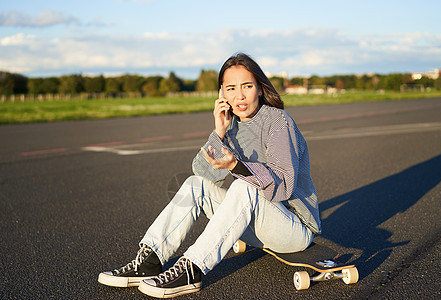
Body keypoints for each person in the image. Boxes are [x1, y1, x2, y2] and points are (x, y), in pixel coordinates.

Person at [98, 53, 321, 298]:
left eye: (247, 86)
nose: (240, 96)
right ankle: (150, 260)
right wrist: (219, 132)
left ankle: (192, 269)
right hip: (255, 221)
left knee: (243, 187)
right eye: (231, 88)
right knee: (196, 184)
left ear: (259, 88)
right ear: (221, 94)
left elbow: (284, 187)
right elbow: (203, 174)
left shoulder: (278, 122)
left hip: (293, 228)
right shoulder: (231, 124)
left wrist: (236, 166)